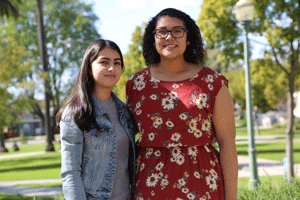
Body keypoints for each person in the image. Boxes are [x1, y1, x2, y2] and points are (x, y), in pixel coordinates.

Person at [126, 8, 238, 200]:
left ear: (188, 38)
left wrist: (232, 198)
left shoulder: (212, 82)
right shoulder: (136, 84)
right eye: (162, 31)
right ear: (153, 39)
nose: (169, 37)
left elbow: (227, 144)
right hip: (149, 186)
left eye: (177, 31)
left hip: (202, 185)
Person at [56, 39, 138, 200]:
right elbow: (70, 173)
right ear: (89, 67)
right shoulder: (75, 113)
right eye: (104, 62)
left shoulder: (126, 112)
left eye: (117, 63)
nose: (111, 68)